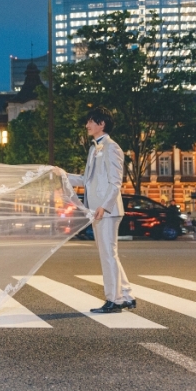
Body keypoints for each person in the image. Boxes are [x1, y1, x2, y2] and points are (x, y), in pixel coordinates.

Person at [56, 107, 135, 314]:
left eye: (91, 121)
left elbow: (116, 183)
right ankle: (125, 295)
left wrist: (104, 206)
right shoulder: (94, 148)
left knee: (108, 254)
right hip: (98, 209)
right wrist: (63, 175)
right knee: (110, 253)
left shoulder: (111, 147)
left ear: (102, 124)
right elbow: (85, 180)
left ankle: (114, 300)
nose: (87, 125)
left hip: (106, 210)